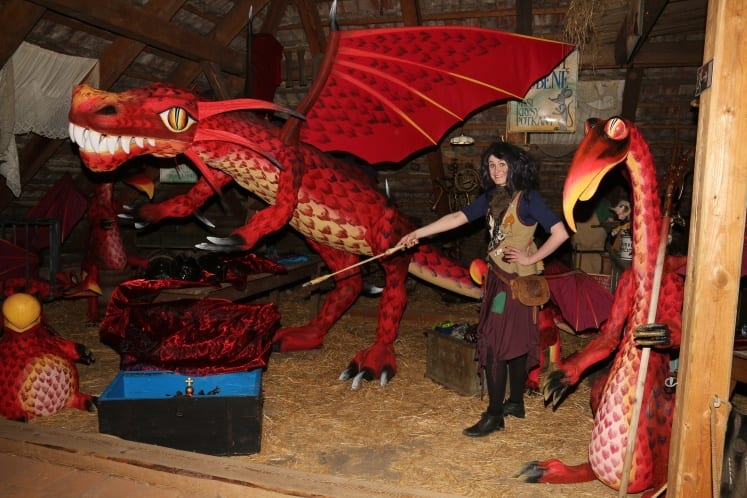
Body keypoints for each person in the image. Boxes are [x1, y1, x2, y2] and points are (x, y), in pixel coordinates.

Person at [398, 141, 569, 437]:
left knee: (493, 344)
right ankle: (515, 403)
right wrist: (417, 233)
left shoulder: (528, 199)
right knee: (513, 342)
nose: (497, 170)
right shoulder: (492, 197)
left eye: (502, 164)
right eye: (491, 165)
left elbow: (560, 232)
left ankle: (494, 415)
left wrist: (531, 258)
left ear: (515, 166)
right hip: (497, 280)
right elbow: (457, 218)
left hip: (513, 287)